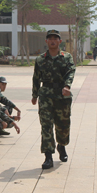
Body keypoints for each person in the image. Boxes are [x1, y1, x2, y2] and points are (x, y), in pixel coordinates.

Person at [32, 30, 75, 169]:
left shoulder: (66, 57)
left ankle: (61, 146)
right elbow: (36, 77)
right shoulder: (40, 59)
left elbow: (70, 72)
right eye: (50, 38)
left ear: (59, 41)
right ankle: (48, 156)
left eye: (55, 38)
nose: (52, 41)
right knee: (46, 125)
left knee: (63, 125)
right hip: (46, 95)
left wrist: (67, 86)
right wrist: (34, 95)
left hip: (62, 95)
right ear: (46, 41)